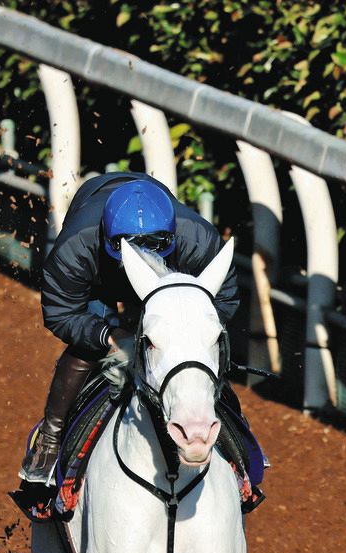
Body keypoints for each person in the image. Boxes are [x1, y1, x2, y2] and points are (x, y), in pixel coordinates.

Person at [19, 171, 245, 485]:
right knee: (87, 349)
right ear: (107, 239)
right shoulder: (76, 246)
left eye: (154, 243)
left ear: (172, 234)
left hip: (169, 283)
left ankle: (240, 443)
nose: (143, 252)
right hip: (100, 283)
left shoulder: (199, 240)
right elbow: (62, 313)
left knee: (199, 353)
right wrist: (107, 335)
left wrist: (188, 330)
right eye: (128, 245)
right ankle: (51, 438)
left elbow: (225, 297)